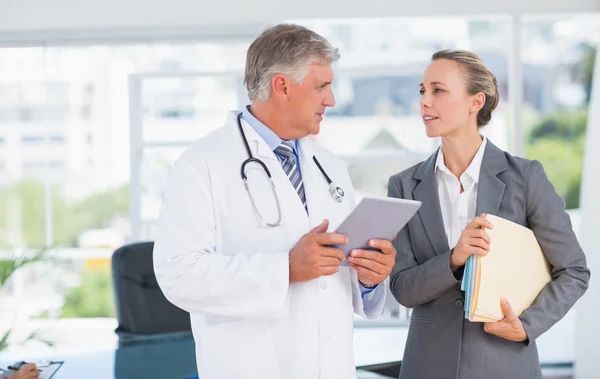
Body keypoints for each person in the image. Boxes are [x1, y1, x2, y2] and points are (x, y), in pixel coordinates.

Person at [153, 23, 396, 379]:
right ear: (282, 86)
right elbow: (178, 275)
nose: (330, 99)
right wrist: (284, 269)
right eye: (321, 86)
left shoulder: (330, 166)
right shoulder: (201, 164)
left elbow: (336, 275)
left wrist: (369, 277)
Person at [387, 49, 590, 379]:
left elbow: (574, 271)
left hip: (504, 365)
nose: (425, 101)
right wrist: (454, 258)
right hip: (427, 365)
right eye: (422, 91)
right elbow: (402, 288)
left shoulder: (526, 178)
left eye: (438, 90)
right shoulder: (404, 186)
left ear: (475, 102)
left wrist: (526, 326)